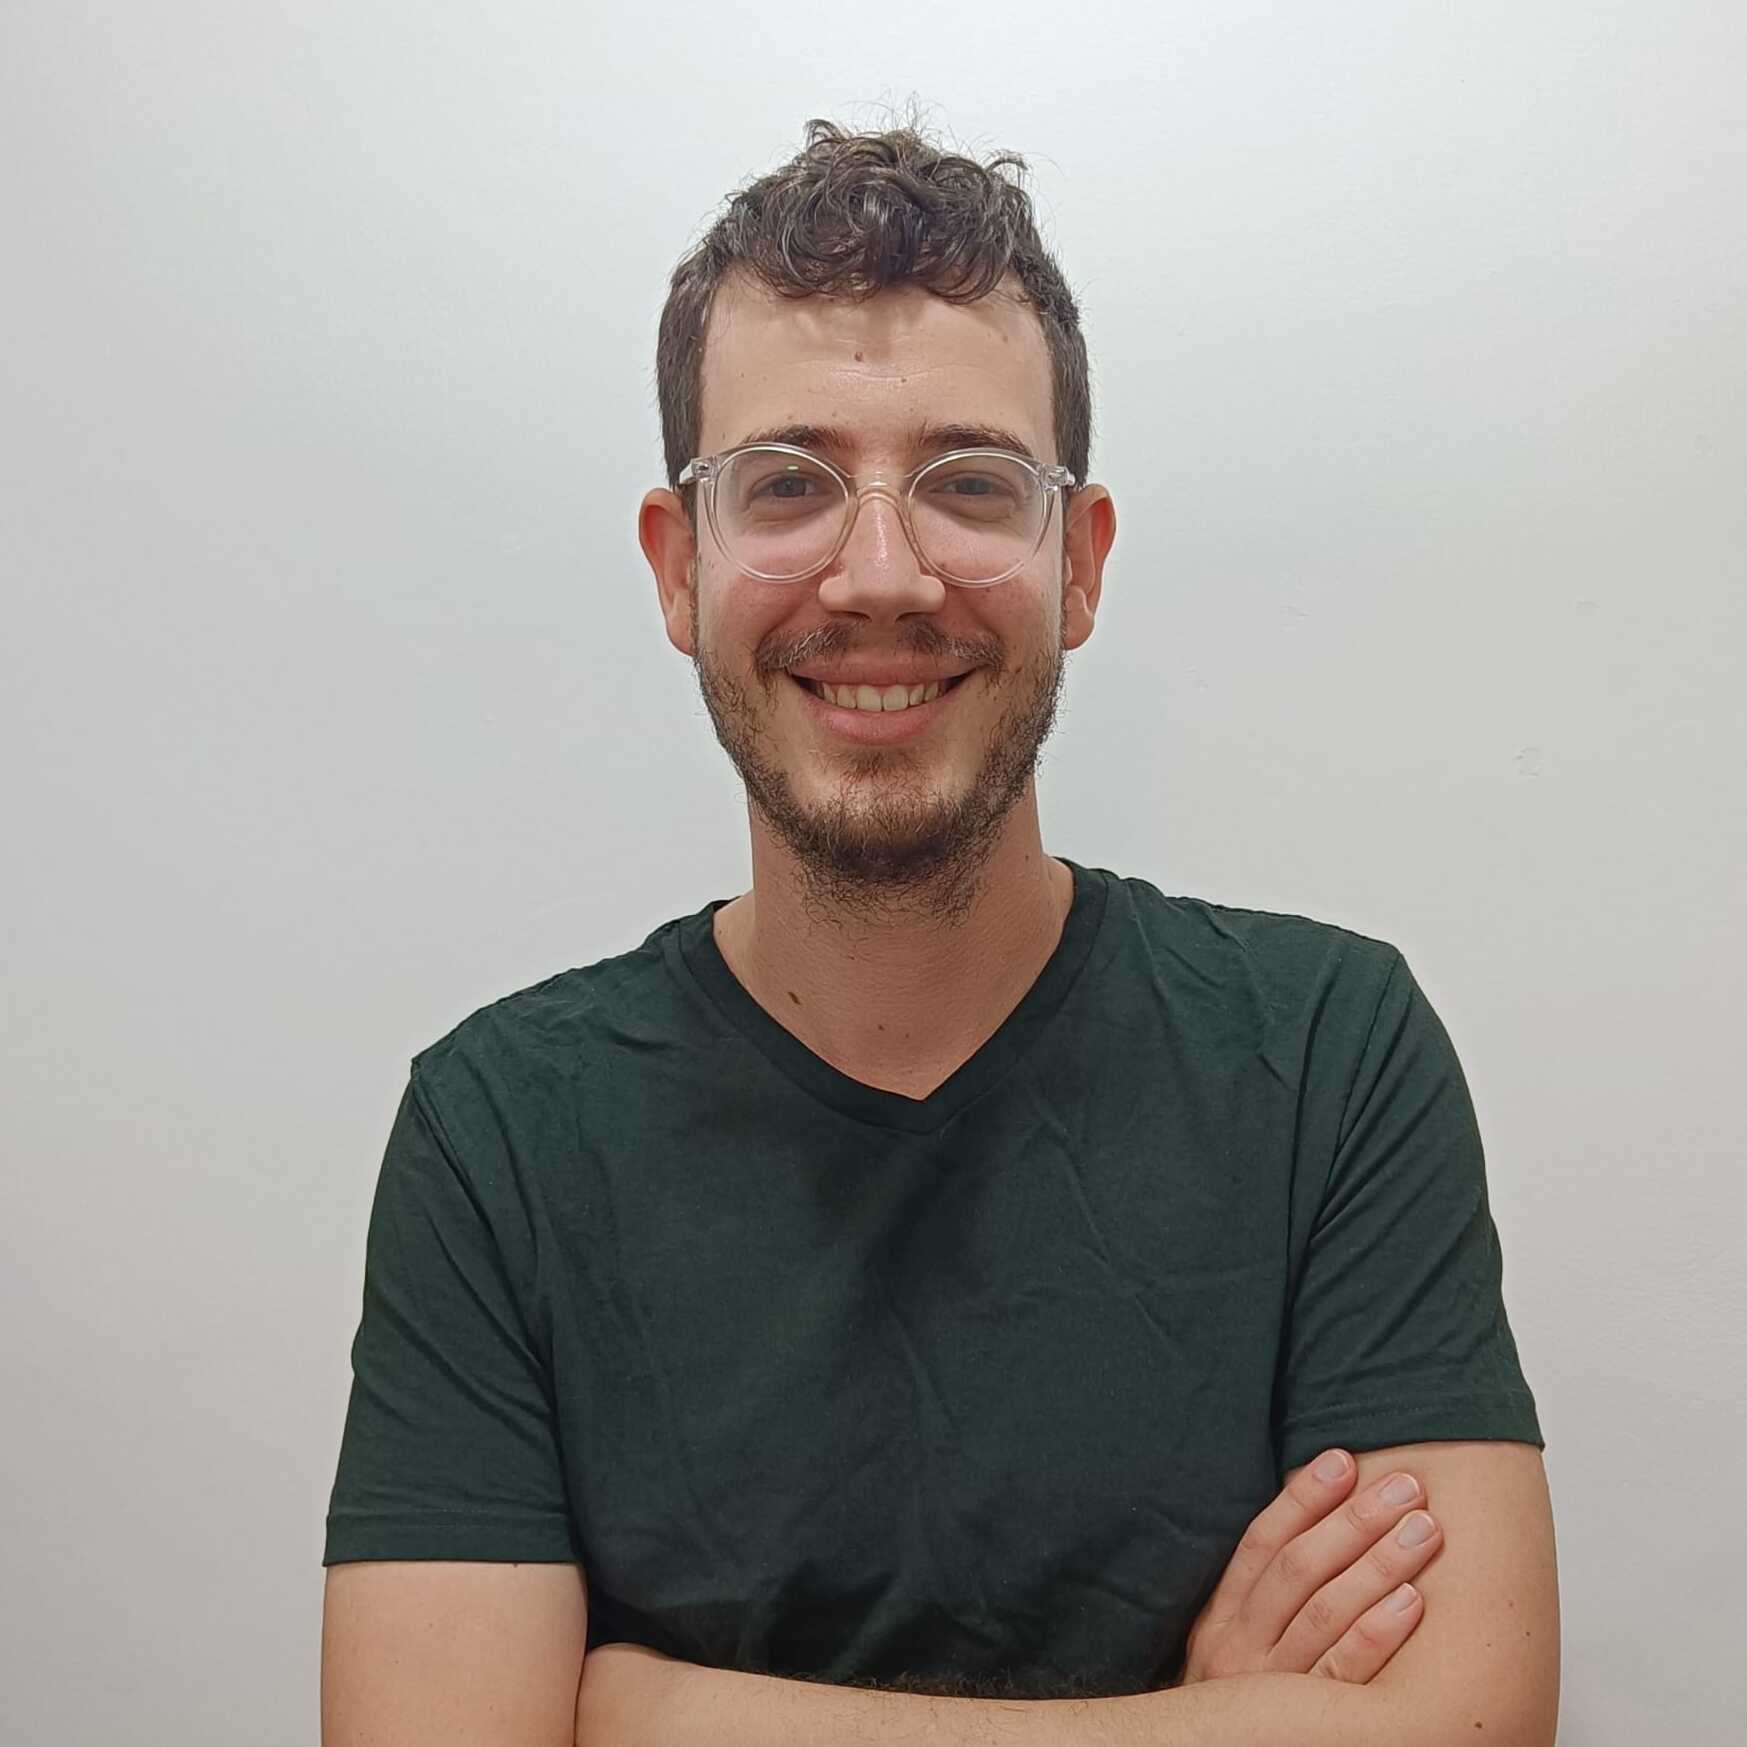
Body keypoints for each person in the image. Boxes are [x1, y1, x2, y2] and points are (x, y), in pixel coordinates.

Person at [321, 117, 1559, 1745]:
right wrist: (1207, 1722)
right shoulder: (502, 1131)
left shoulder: (1328, 1053)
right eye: (787, 485)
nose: (883, 574)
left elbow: (1471, 1729)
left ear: (1079, 563)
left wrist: (652, 1715)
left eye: (971, 484)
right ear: (680, 568)